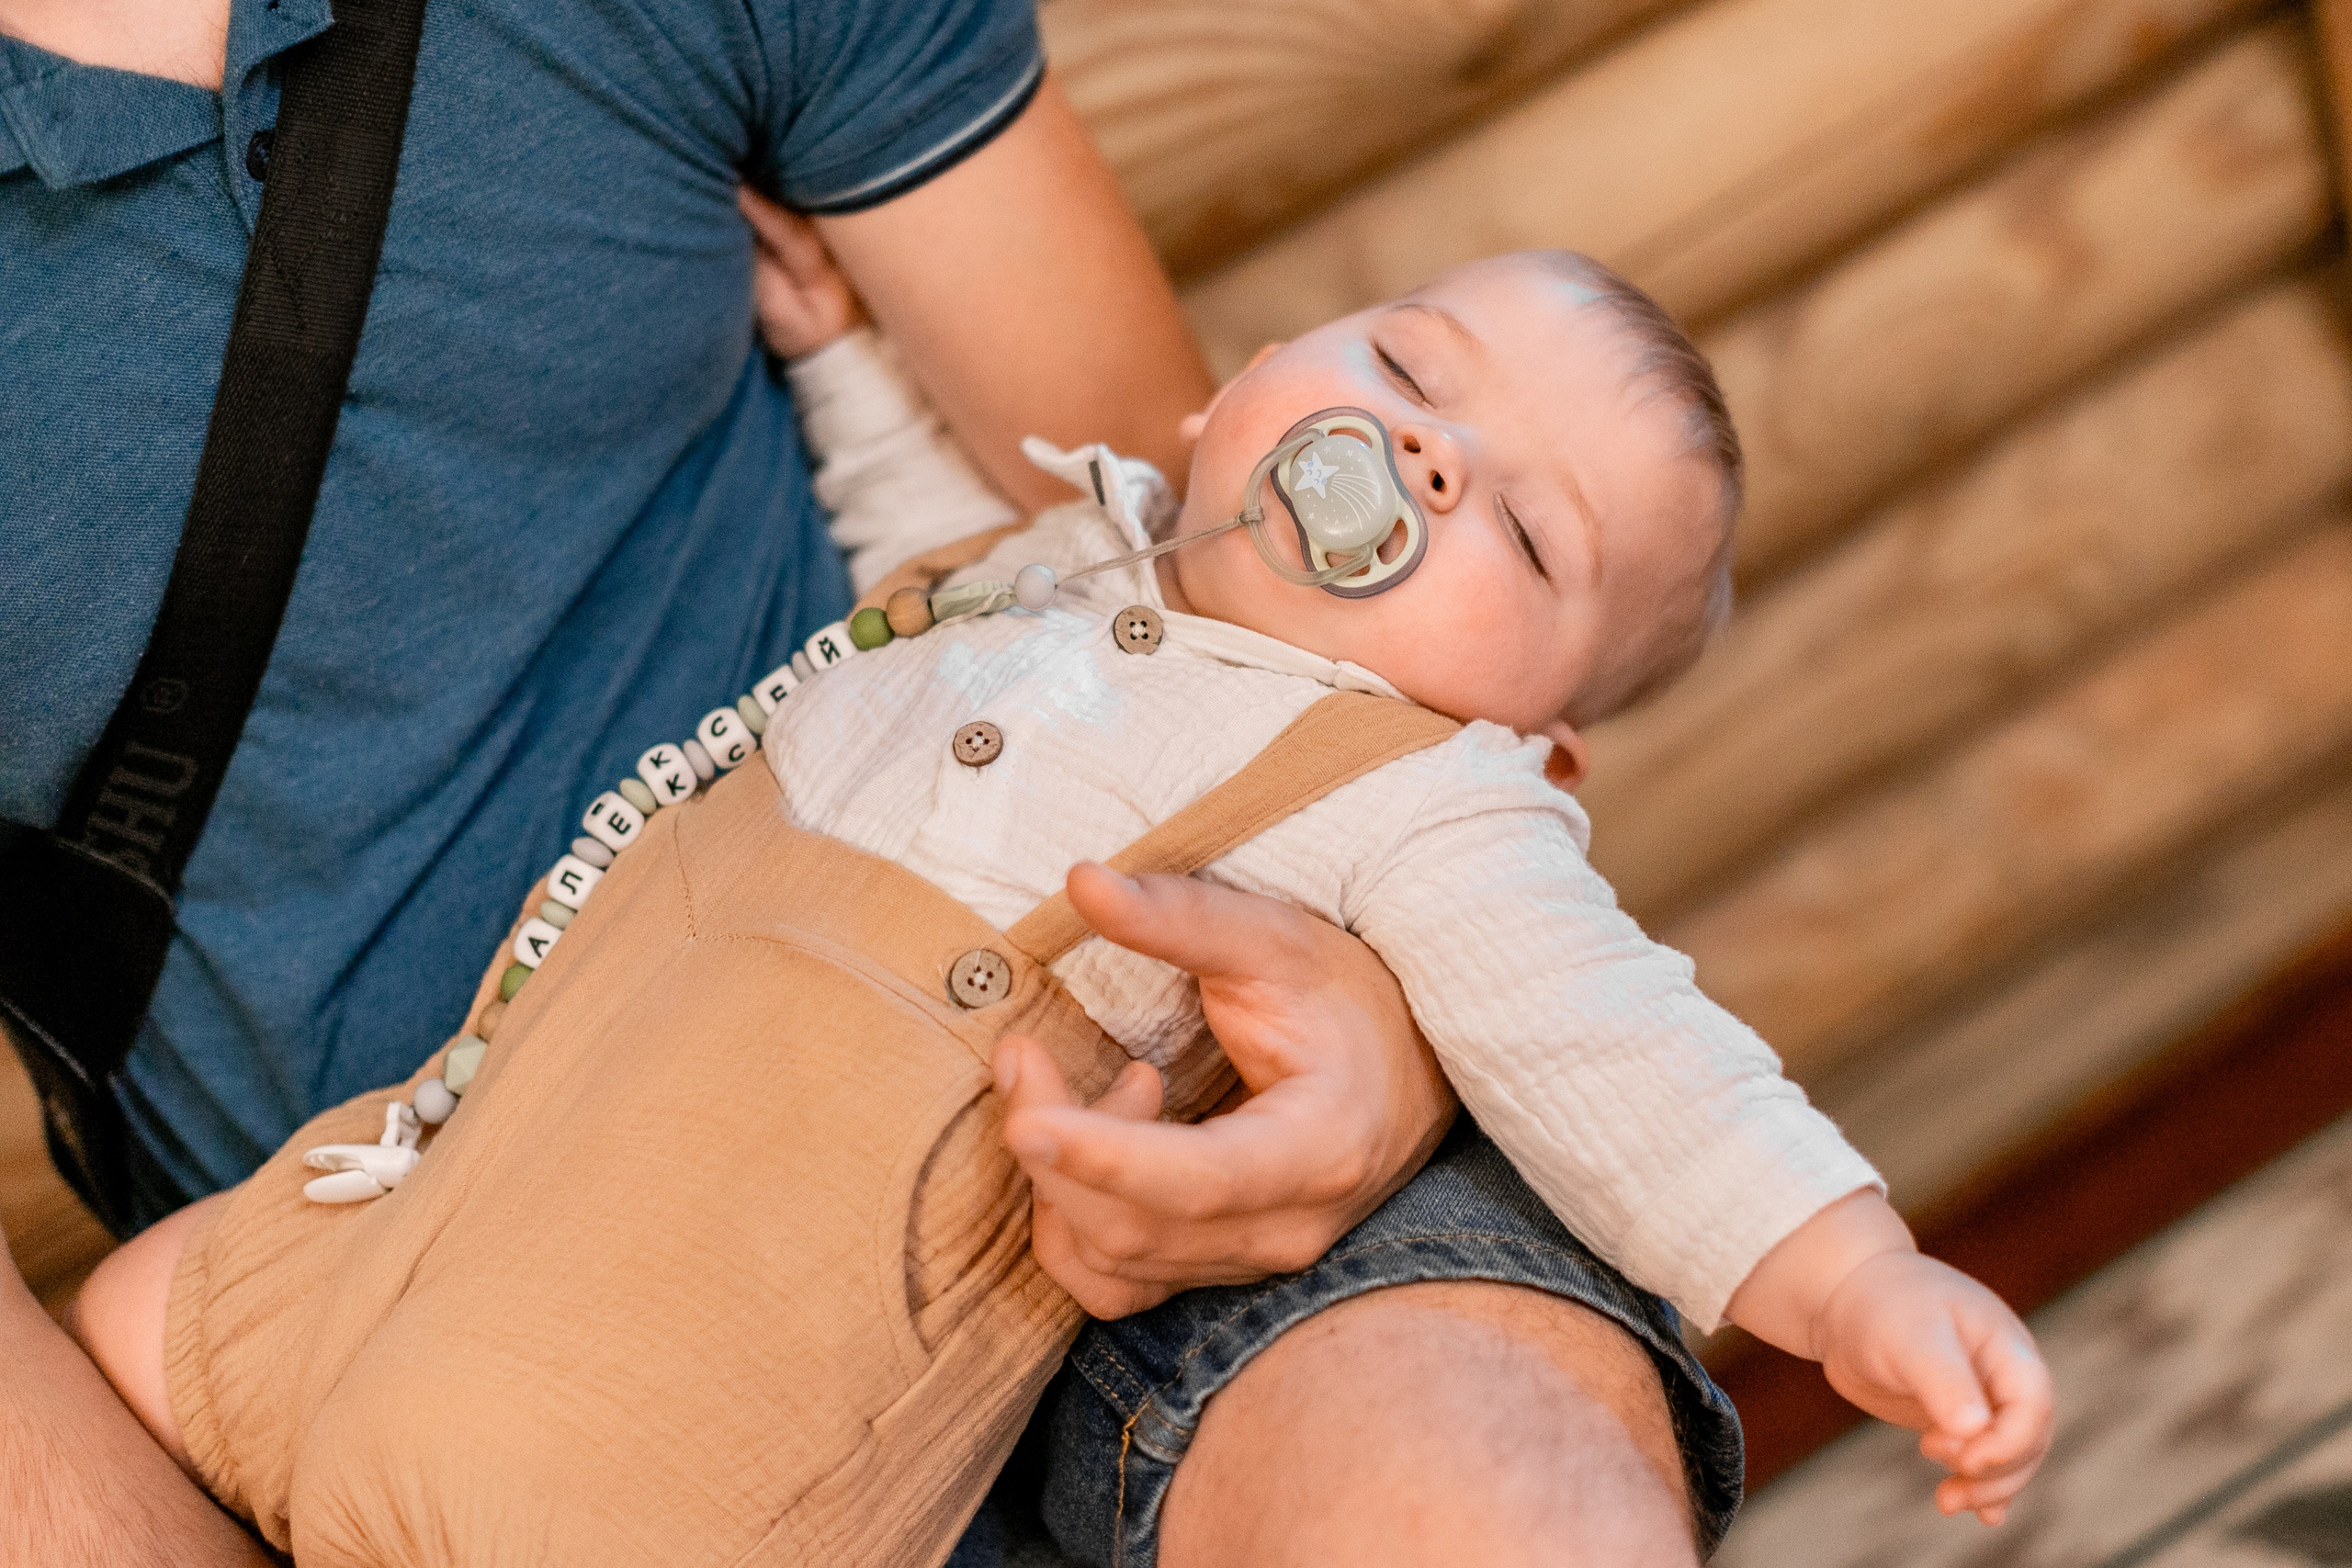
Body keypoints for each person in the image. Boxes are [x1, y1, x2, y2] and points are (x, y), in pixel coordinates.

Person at [0, 0, 1812, 1562]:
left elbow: (1157, 586)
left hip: (1098, 1085)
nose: (1418, 453)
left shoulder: (1422, 787)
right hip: (439, 1201)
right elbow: (1004, 563)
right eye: (1406, 363)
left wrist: (1398, 1038)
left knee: (1479, 1471)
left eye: (1515, 520)